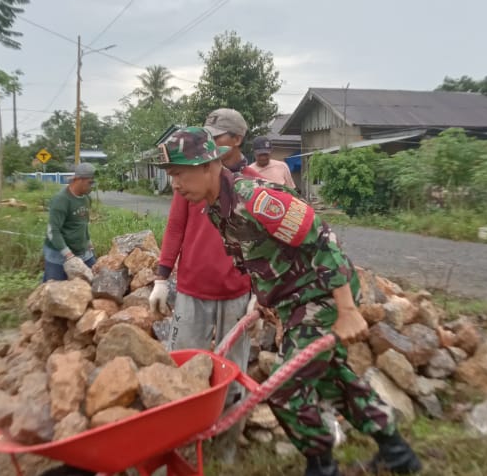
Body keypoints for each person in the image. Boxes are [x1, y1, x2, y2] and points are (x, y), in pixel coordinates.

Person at [155, 129, 422, 476]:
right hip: (294, 299)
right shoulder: (216, 209)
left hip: (322, 293)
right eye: (170, 175)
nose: (174, 184)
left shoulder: (257, 199)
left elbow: (324, 240)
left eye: (179, 173)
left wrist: (347, 310)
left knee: (284, 387)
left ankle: (322, 465)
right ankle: (397, 453)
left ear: (209, 165)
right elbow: (258, 258)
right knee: (332, 378)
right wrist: (264, 300)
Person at [148, 128, 253, 462]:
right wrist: (162, 277)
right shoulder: (187, 186)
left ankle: (225, 448)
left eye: (222, 134)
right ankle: (184, 445)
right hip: (193, 288)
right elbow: (175, 228)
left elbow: (263, 242)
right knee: (186, 365)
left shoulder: (246, 187)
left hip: (236, 291)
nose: (175, 182)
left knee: (233, 370)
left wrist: (259, 290)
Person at [43, 163, 97, 282]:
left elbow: (83, 223)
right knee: (54, 290)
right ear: (79, 180)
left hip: (82, 252)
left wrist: (88, 241)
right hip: (58, 255)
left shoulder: (86, 198)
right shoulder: (61, 200)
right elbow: (53, 231)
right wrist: (68, 255)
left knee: (96, 281)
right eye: (90, 182)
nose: (92, 186)